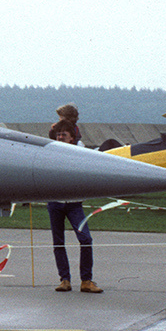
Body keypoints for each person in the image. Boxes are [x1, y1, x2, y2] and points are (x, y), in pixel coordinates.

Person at [47, 120, 101, 293]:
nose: (61, 137)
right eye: (59, 134)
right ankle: (64, 279)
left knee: (85, 239)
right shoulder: (50, 150)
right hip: (55, 203)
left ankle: (86, 280)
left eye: (64, 134)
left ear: (71, 138)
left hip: (74, 204)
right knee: (58, 242)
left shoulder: (79, 150)